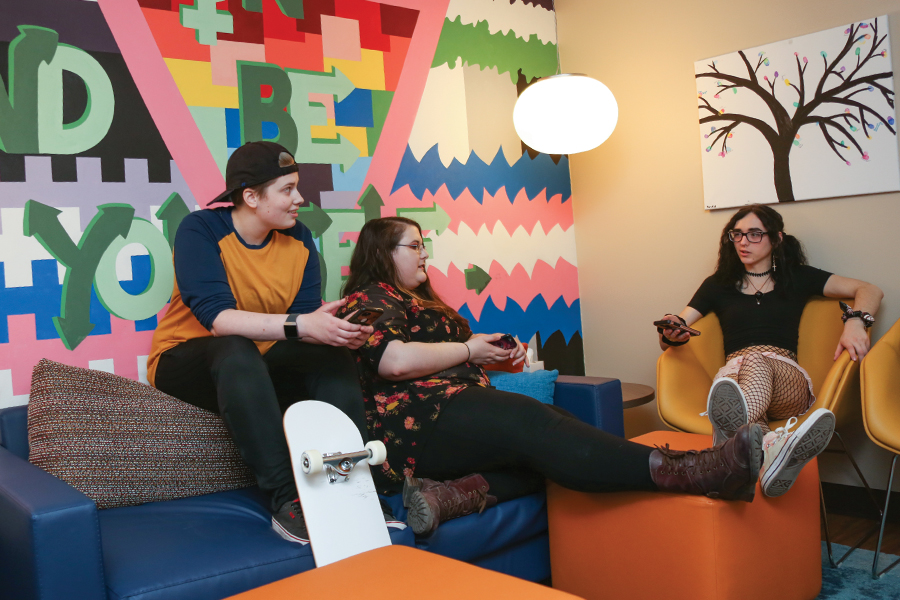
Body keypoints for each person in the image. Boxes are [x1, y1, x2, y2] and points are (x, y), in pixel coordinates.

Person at [338, 216, 764, 536]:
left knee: (551, 451)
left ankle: (444, 497)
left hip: (456, 408)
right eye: (414, 246)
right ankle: (700, 470)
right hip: (416, 425)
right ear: (384, 253)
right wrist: (470, 349)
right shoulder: (369, 298)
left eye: (423, 244)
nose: (425, 253)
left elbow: (449, 356)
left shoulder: (423, 300)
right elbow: (392, 361)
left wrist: (495, 356)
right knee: (537, 423)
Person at [147, 141, 381, 544]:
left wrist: (333, 332)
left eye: (297, 187)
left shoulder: (300, 239)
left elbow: (303, 324)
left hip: (257, 362)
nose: (300, 199)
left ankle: (350, 481)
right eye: (287, 190)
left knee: (328, 354)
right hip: (187, 358)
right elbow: (218, 321)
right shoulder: (200, 229)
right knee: (233, 345)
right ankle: (287, 499)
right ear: (251, 197)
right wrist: (304, 325)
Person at [657, 204, 882, 498]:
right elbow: (672, 335)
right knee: (746, 403)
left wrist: (855, 322)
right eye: (736, 234)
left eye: (753, 234)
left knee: (753, 359)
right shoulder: (717, 285)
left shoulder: (797, 277)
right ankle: (774, 452)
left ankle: (721, 450)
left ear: (776, 238)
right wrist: (671, 331)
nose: (743, 242)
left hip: (786, 382)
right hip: (735, 383)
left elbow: (869, 289)